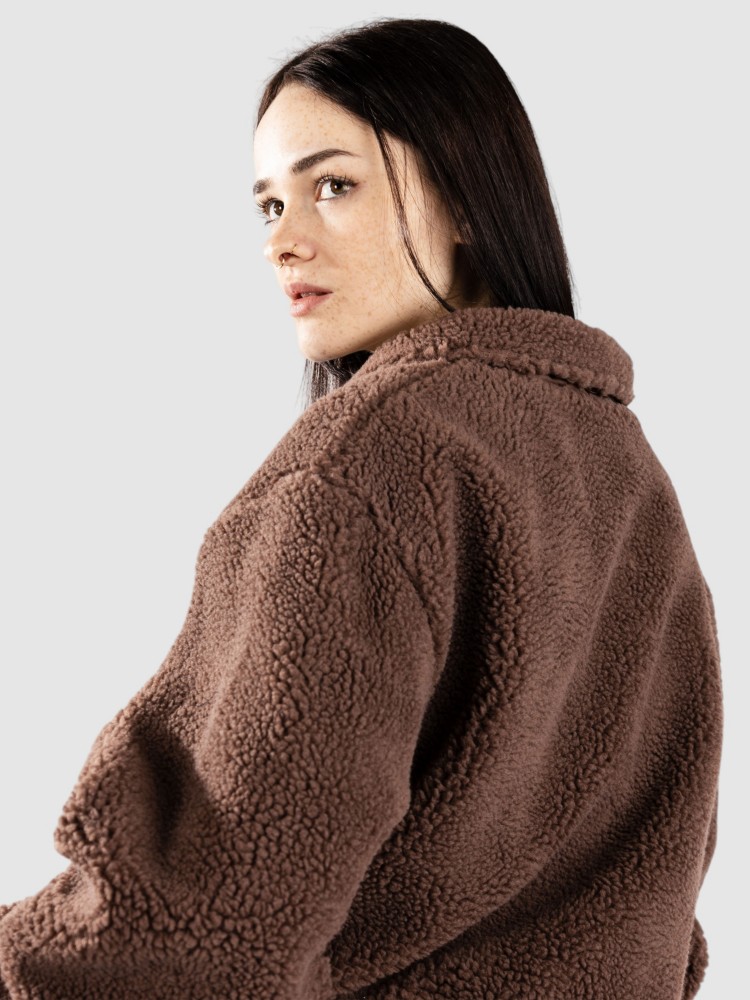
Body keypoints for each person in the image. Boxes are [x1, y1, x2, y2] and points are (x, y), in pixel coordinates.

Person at [0, 16, 723, 1000]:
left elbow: (201, 932)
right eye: (268, 203)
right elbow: (661, 884)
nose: (282, 240)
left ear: (465, 199)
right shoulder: (625, 473)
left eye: (332, 186)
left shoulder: (372, 463)